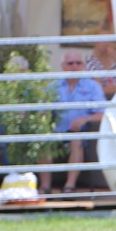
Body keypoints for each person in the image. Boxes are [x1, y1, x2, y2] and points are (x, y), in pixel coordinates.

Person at [38, 50, 106, 194]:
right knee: (44, 142)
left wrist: (86, 119)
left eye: (78, 63)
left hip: (80, 133)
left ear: (83, 65)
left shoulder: (92, 86)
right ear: (63, 66)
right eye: (70, 63)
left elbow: (103, 113)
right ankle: (45, 186)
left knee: (76, 141)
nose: (74, 66)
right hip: (56, 132)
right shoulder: (53, 86)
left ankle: (69, 186)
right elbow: (42, 111)